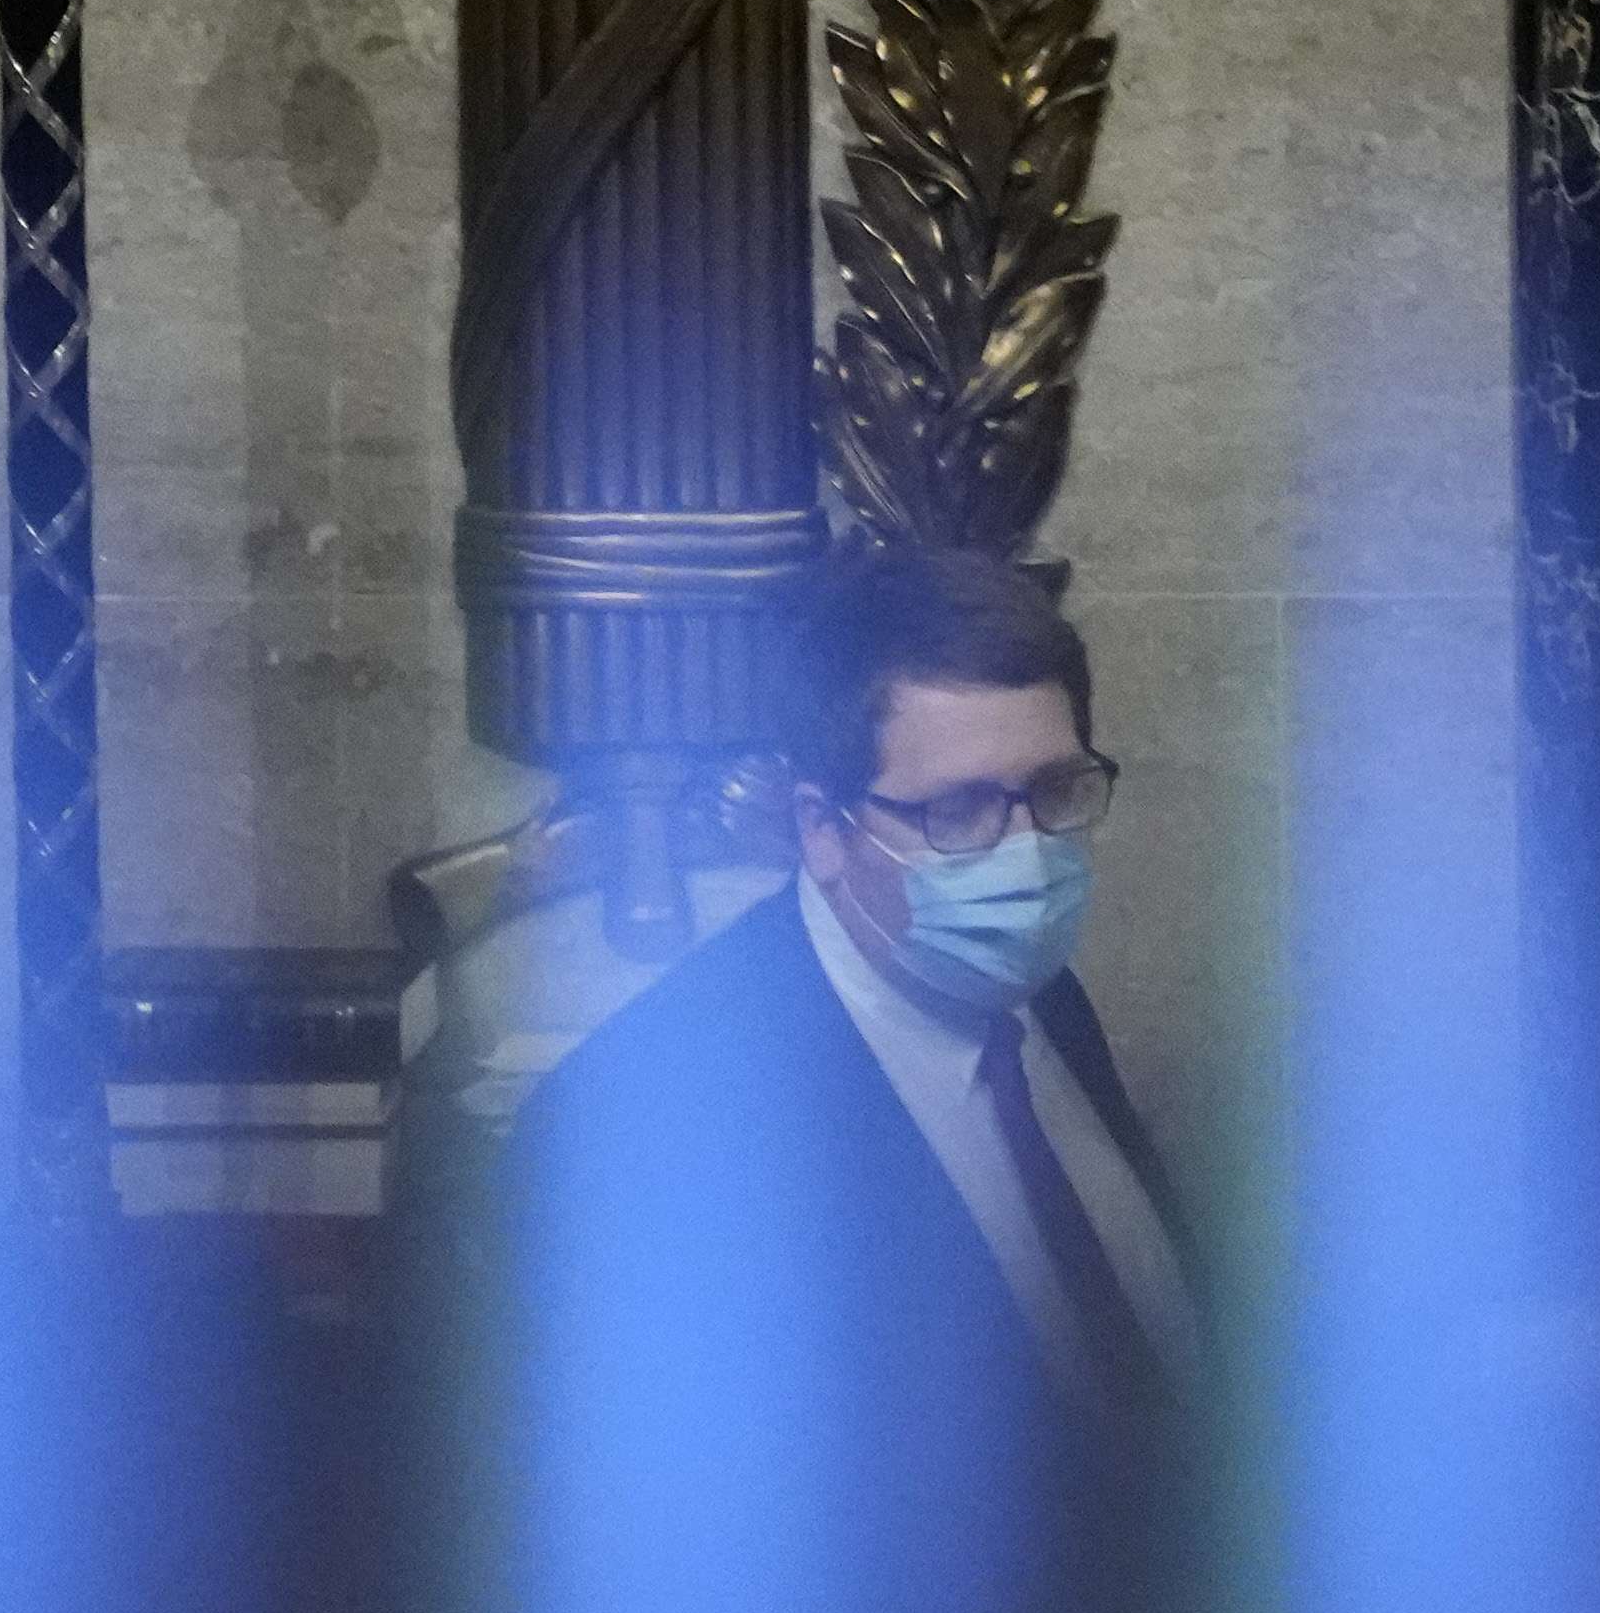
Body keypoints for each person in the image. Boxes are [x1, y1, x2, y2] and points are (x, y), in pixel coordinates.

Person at [508, 540, 1207, 1428]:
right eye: (957, 809)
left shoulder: (1042, 999)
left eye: (1057, 789)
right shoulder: (641, 1138)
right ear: (823, 829)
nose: (1028, 854)